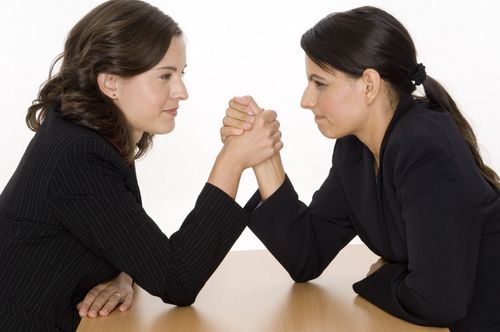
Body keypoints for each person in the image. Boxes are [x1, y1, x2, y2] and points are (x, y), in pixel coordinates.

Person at [0, 0, 282, 331]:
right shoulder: (78, 156)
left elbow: (118, 232)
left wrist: (124, 271)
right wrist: (231, 161)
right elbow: (177, 280)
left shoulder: (93, 134)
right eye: (165, 76)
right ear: (110, 84)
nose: (182, 91)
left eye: (181, 73)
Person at [222, 6, 500, 332]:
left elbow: (439, 300)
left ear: (369, 84)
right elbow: (306, 256)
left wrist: (381, 277)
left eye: (320, 83)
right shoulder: (356, 149)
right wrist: (265, 161)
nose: (306, 99)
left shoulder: (423, 147)